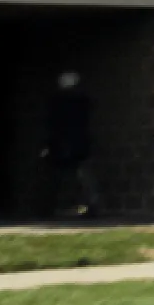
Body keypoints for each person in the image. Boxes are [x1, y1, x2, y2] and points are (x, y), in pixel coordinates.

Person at [43, 70, 96, 217]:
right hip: (74, 145)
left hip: (67, 145)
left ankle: (61, 205)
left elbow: (54, 125)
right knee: (77, 177)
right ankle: (84, 205)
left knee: (66, 177)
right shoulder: (80, 102)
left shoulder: (61, 103)